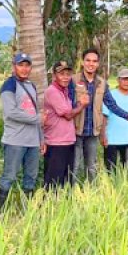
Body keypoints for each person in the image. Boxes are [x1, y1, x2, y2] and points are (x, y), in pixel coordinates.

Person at [70, 48, 128, 181]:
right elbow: (66, 104)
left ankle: (90, 194)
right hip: (75, 131)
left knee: (91, 167)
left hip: (92, 132)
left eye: (94, 61)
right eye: (88, 60)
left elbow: (112, 105)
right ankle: (71, 195)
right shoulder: (73, 81)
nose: (91, 64)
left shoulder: (102, 83)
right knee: (74, 166)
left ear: (98, 64)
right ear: (83, 62)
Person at [0, 52, 45, 214]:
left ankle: (27, 212)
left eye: (27, 65)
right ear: (14, 67)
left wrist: (41, 139)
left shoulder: (31, 86)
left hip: (32, 141)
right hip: (15, 140)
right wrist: (36, 119)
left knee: (31, 177)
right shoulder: (9, 85)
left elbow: (35, 113)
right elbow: (11, 112)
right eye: (20, 65)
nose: (24, 69)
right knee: (9, 176)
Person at [42, 61, 89, 190]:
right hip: (56, 143)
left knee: (64, 180)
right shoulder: (52, 92)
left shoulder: (65, 91)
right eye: (61, 74)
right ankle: (49, 208)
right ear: (54, 76)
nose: (65, 77)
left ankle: (61, 207)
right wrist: (82, 105)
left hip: (67, 141)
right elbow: (67, 115)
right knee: (53, 182)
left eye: (68, 74)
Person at [101, 67, 128, 171]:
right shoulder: (110, 95)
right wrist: (103, 135)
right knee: (110, 169)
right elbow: (104, 117)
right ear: (118, 80)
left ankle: (126, 187)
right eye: (123, 79)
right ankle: (110, 187)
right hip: (112, 139)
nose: (126, 82)